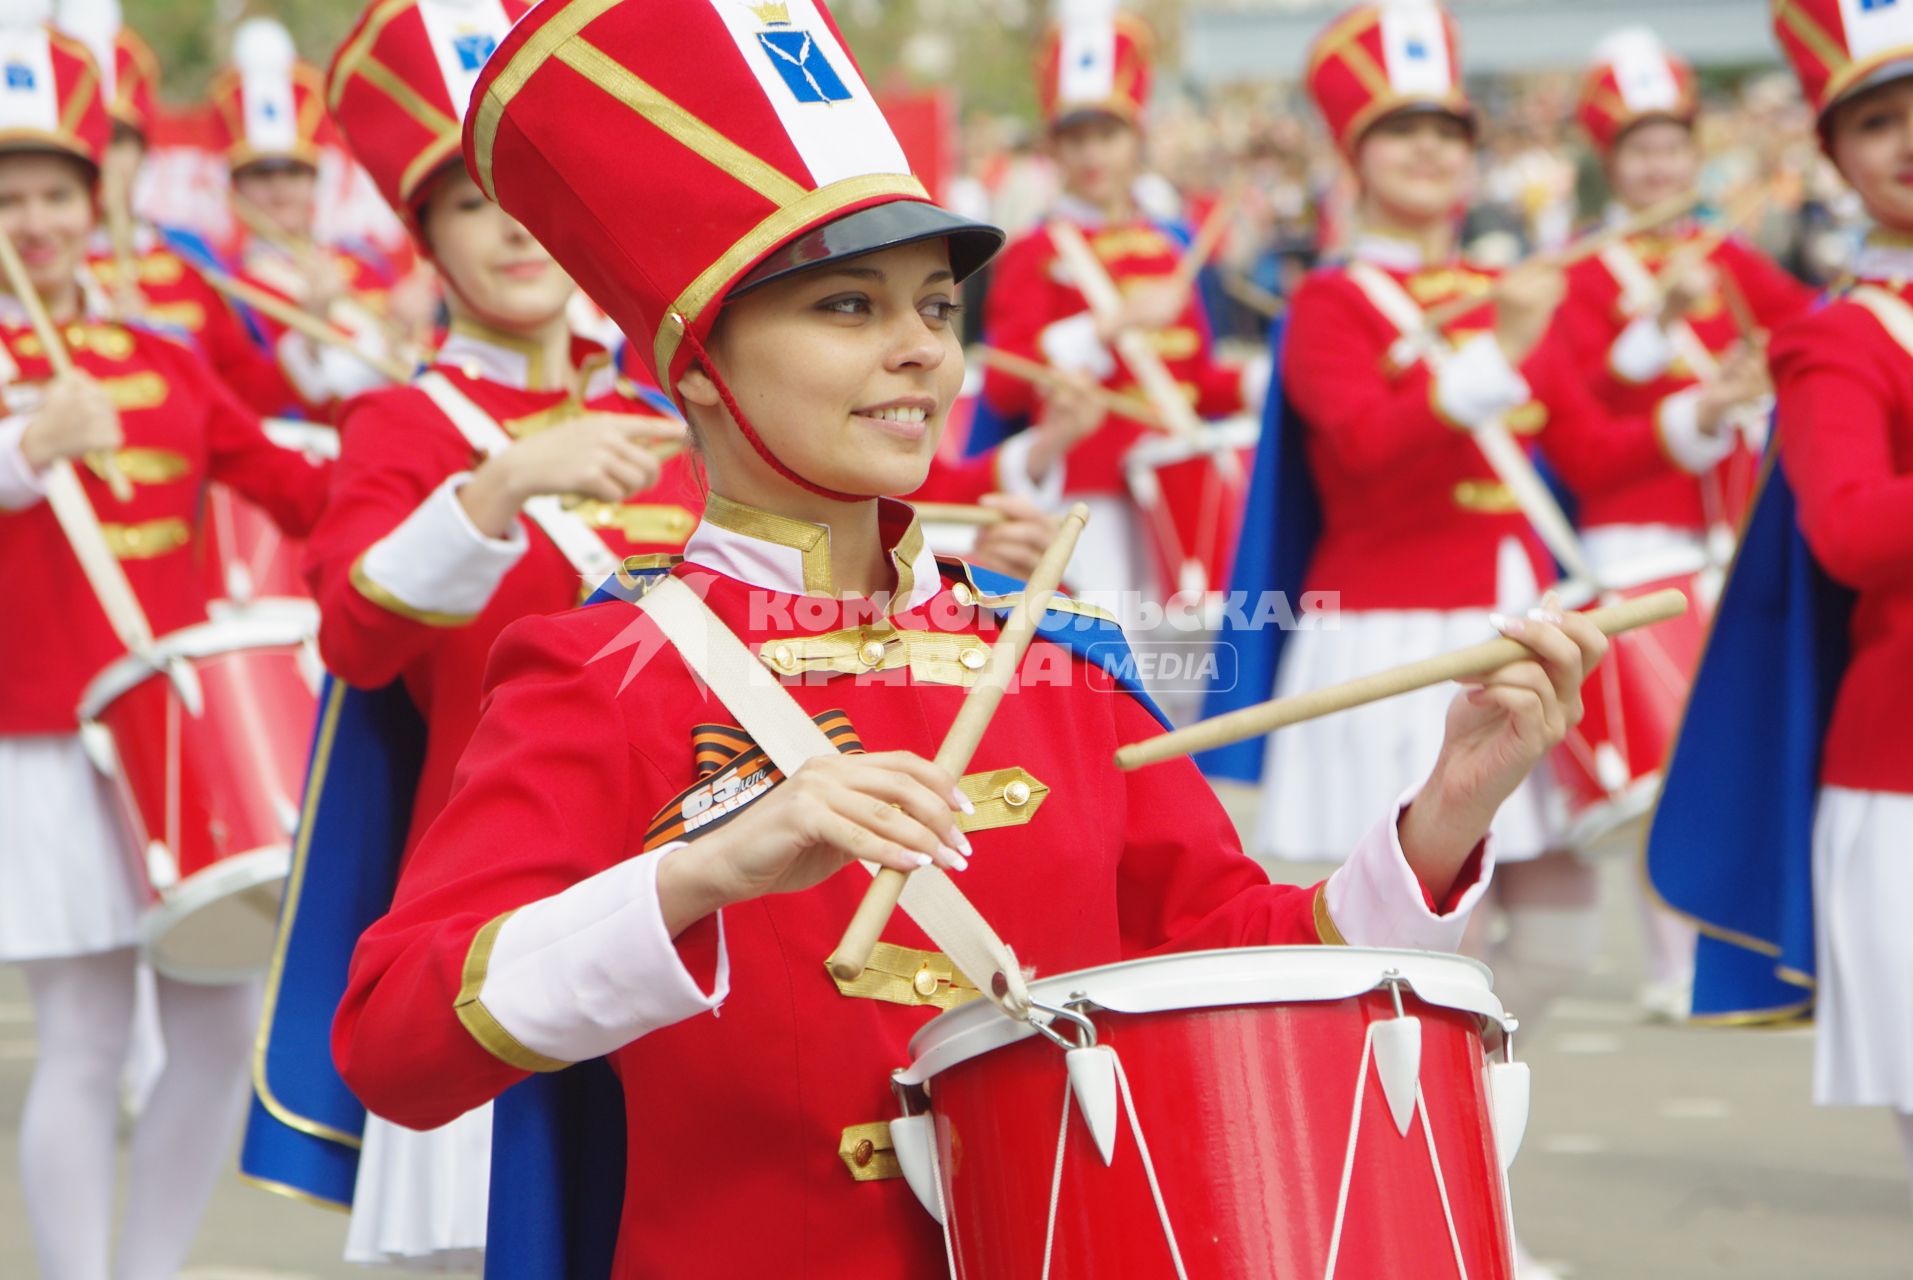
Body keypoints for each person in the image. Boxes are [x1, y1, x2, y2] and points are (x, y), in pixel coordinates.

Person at [330, 1, 1606, 1273]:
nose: (920, 355)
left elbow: (1227, 955)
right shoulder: (601, 670)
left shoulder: (1055, 651)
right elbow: (393, 1038)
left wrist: (1440, 813)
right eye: (845, 307)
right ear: (700, 364)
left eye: (936, 308)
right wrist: (701, 871)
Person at [1201, 9, 1746, 1269]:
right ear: (1354, 151)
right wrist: (1497, 348)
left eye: (1447, 127)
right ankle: (1414, 1222)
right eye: (1402, 129)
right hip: (1389, 640)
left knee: (1547, 930)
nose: (1432, 149)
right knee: (1394, 953)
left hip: (1513, 627)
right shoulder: (1330, 298)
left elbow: (1585, 455)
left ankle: (1455, 1171)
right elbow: (1366, 449)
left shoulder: (1511, 285)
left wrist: (1689, 418)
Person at [240, 0, 699, 1267]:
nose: (510, 226)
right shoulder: (406, 423)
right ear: (424, 235)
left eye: (532, 189)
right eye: (468, 201)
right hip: (508, 906)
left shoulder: (678, 404)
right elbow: (352, 634)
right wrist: (497, 486)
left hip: (698, 883)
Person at [0, 17, 330, 1278]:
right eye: (10, 199)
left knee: (213, 1032)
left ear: (99, 199)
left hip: (184, 732)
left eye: (54, 195)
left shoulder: (161, 350)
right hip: (40, 732)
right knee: (83, 1039)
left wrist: (449, 489)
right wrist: (26, 448)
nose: (33, 222)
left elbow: (295, 485)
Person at [1652, 0, 1913, 1204]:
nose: (1907, 139)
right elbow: (1853, 532)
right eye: (1877, 122)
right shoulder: (1837, 339)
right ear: (1832, 157)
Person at [1556, 25, 1812, 1020]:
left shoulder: (1729, 256)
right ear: (1608, 163)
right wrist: (1662, 357)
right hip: (1638, 537)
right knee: (1663, 770)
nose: (1660, 166)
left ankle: (1755, 950)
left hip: (1734, 533)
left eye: (1672, 146)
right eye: (1638, 150)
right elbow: (1575, 429)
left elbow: (1814, 327)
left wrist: (1765, 369)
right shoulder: (1579, 273)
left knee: (1745, 749)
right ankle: (1671, 959)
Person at [972, 0, 1261, 611]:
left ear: (1139, 137)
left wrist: (1263, 382)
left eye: (1108, 133)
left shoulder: (1173, 244)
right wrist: (1109, 326)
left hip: (1180, 494)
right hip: (1086, 503)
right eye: (1073, 137)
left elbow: (1196, 385)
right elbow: (1003, 384)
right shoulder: (1034, 250)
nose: (1091, 153)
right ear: (1052, 146)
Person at [56, 0, 309, 420]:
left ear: (143, 152)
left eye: (117, 138)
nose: (101, 157)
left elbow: (247, 397)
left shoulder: (191, 257)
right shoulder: (23, 271)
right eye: (85, 137)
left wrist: (311, 342)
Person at [209, 16, 404, 414]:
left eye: (294, 172)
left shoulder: (366, 262)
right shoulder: (223, 286)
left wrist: (409, 329)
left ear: (315, 180)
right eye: (262, 174)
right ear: (236, 187)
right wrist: (310, 331)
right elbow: (240, 400)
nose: (279, 187)